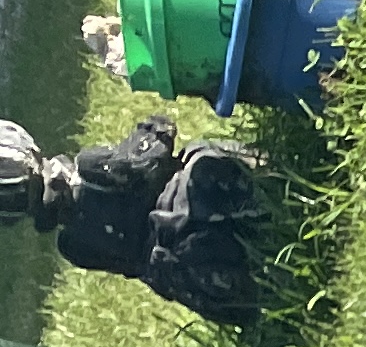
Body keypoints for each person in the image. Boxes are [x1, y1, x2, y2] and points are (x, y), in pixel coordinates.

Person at [0, 116, 260, 326]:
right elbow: (145, 162)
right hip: (193, 212)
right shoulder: (89, 167)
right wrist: (153, 128)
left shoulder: (73, 248)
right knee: (199, 162)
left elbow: (130, 266)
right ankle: (273, 184)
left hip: (195, 280)